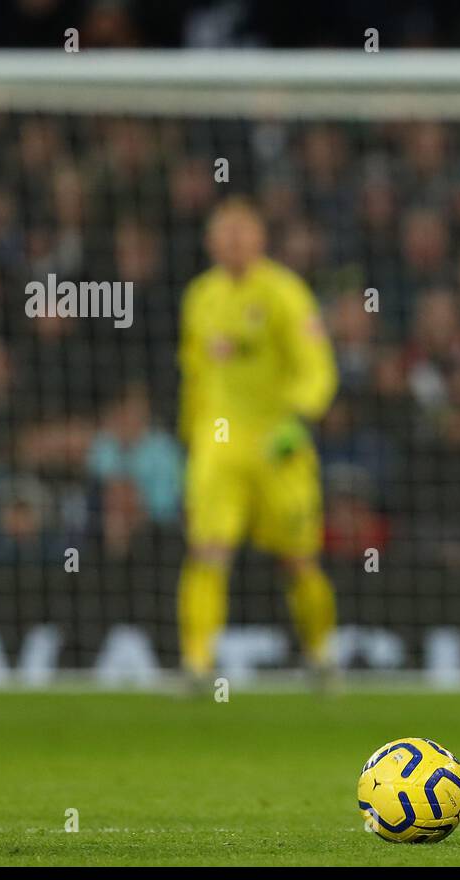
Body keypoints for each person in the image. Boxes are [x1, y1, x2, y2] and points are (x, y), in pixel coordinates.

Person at [176, 198, 339, 685]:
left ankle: (321, 652)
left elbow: (316, 368)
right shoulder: (200, 296)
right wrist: (192, 432)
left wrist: (299, 417)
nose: (232, 243)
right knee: (207, 550)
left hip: (276, 442)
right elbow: (195, 373)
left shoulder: (284, 293)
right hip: (218, 445)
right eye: (223, 235)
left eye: (241, 234)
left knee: (299, 559)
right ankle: (197, 662)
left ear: (260, 239)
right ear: (210, 242)